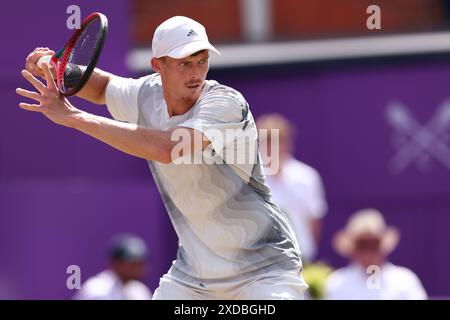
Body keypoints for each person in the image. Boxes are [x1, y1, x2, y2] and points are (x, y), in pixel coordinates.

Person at [17, 16, 307, 299]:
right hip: (194, 275)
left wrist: (73, 117)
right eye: (184, 63)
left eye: (202, 61)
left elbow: (168, 149)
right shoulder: (146, 94)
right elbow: (104, 87)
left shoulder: (225, 103)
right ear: (158, 66)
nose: (196, 73)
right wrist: (54, 67)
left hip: (264, 270)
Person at [256, 113, 328, 262]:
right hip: (259, 263)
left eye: (278, 141)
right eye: (266, 141)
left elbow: (314, 222)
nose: (271, 147)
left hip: (300, 260)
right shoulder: (248, 178)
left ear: (288, 143)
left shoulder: (307, 177)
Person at [325, 208, 427, 300]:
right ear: (353, 249)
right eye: (363, 245)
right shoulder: (335, 283)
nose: (368, 252)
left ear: (382, 246)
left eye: (373, 245)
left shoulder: (405, 281)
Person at [74, 234, 152, 300]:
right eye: (133, 264)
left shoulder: (140, 291)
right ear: (115, 263)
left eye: (140, 263)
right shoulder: (96, 290)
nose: (138, 268)